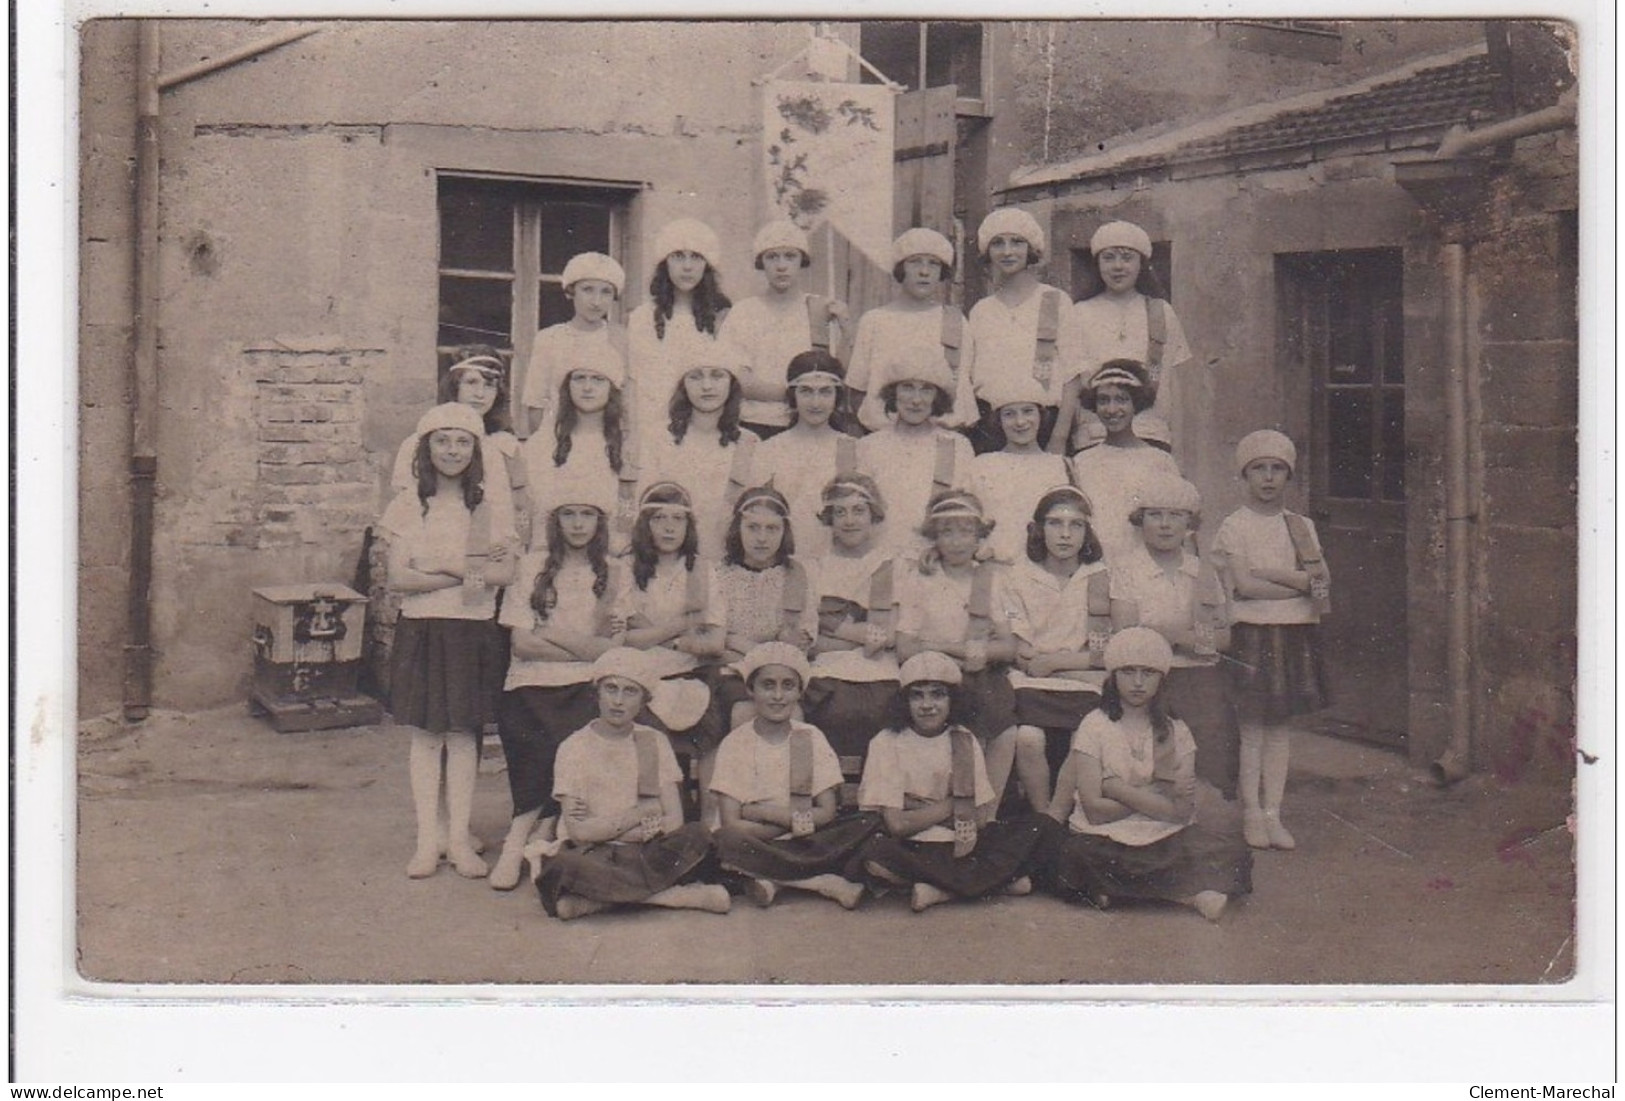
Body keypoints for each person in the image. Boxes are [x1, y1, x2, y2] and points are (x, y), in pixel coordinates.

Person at [377, 403, 518, 879]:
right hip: (423, 627)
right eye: (442, 441)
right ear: (426, 448)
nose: (452, 451)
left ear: (476, 451)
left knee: (463, 735)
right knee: (425, 735)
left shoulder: (488, 509)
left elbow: (502, 575)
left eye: (462, 442)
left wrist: (445, 567)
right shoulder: (407, 506)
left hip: (472, 630)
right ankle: (427, 840)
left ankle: (459, 839)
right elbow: (398, 579)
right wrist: (465, 575)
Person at [1038, 627, 1252, 922]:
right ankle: (1184, 893)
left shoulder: (1175, 729)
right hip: (1105, 837)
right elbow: (1095, 812)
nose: (1138, 683)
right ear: (1113, 677)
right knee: (1073, 854)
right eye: (1128, 672)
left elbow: (1179, 812)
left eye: (1148, 673)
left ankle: (1120, 892)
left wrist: (1116, 789)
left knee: (1228, 848)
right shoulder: (1095, 725)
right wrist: (1155, 793)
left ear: (1162, 679)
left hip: (1164, 834)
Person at [487, 472, 624, 891]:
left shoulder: (615, 572)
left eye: (587, 515)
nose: (578, 524)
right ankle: (525, 837)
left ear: (600, 523)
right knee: (533, 735)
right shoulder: (530, 567)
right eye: (569, 515)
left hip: (587, 683)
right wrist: (580, 645)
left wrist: (551, 633)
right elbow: (523, 646)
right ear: (556, 521)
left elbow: (609, 649)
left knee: (575, 740)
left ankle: (531, 836)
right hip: (531, 681)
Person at [530, 647, 730, 919]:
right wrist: (638, 816)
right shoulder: (574, 747)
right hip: (596, 853)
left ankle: (599, 901)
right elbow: (579, 833)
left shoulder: (653, 741)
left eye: (630, 691)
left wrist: (613, 829)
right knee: (563, 865)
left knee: (699, 836)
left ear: (644, 700)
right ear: (597, 693)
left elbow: (674, 821)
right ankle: (672, 897)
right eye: (611, 689)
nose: (618, 701)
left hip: (646, 850)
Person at [1210, 429, 1332, 851]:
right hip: (1252, 635)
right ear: (1245, 476)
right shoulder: (1234, 527)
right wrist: (1295, 584)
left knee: (1280, 728)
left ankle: (1273, 814)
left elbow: (1320, 584)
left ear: (1288, 476)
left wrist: (1274, 575)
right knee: (1252, 730)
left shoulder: (1300, 527)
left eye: (1277, 469)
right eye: (1259, 469)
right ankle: (1250, 814)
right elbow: (1244, 586)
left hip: (1293, 633)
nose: (1268, 478)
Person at [853, 652, 1046, 911]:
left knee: (1036, 828)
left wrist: (915, 805)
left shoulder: (963, 739)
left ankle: (940, 891)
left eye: (937, 694)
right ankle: (988, 885)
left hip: (958, 844)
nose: (927, 704)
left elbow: (977, 819)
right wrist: (953, 803)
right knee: (873, 856)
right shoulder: (887, 741)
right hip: (909, 846)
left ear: (953, 700)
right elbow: (897, 824)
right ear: (904, 702)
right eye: (917, 695)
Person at [710, 642, 880, 909]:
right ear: (750, 690)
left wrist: (762, 812)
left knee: (868, 822)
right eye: (768, 685)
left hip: (804, 837)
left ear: (800, 692)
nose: (778, 696)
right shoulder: (736, 744)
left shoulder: (810, 736)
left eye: (787, 686)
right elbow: (732, 823)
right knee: (723, 840)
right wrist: (791, 823)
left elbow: (827, 811)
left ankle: (773, 879)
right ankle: (819, 882)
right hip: (757, 840)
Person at [894, 489, 1027, 815]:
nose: (956, 541)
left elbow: (1009, 645)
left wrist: (945, 647)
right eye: (947, 532)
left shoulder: (993, 579)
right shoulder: (920, 579)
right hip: (932, 678)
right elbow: (904, 647)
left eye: (966, 531)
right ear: (934, 536)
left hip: (980, 676)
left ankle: (986, 816)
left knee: (1004, 729)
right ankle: (945, 811)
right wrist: (958, 655)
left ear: (979, 535)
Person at [1109, 471, 1240, 801]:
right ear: (1141, 521)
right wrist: (1190, 636)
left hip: (1200, 674)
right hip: (1149, 676)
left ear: (1190, 524)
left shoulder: (1202, 571)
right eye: (1155, 515)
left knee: (1214, 737)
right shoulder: (1128, 569)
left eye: (1175, 516)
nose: (1165, 525)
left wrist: (1165, 632)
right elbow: (1128, 635)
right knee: (1154, 748)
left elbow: (1222, 639)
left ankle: (1211, 810)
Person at [706, 483, 819, 819]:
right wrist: (756, 650)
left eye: (772, 529)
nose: (761, 538)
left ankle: (784, 808)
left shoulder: (794, 575)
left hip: (780, 672)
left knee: (790, 712)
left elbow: (801, 639)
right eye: (752, 527)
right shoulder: (719, 574)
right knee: (743, 712)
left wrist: (756, 646)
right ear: (737, 529)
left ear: (784, 532)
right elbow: (715, 639)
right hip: (730, 670)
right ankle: (728, 813)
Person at [1005, 485, 1111, 814]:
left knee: (1088, 738)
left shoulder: (1099, 578)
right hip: (1032, 685)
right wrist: (1059, 665)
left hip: (1081, 684)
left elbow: (1102, 653)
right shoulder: (1018, 576)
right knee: (1028, 739)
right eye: (1055, 524)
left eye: (1075, 525)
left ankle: (1060, 818)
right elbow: (1023, 657)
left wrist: (1054, 663)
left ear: (1087, 531)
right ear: (1039, 528)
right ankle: (1042, 818)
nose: (1065, 535)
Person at [1062, 220, 1194, 459]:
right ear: (1097, 264)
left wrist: (1181, 451)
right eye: (1109, 258)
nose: (1118, 266)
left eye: (1127, 257)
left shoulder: (1160, 312)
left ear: (1141, 264)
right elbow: (1071, 383)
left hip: (1151, 435)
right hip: (1094, 437)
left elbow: (1175, 387)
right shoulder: (1079, 313)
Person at [802, 473, 900, 762]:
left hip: (880, 671)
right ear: (829, 518)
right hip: (826, 670)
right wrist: (860, 634)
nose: (849, 520)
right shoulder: (814, 567)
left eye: (859, 510)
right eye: (840, 512)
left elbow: (889, 635)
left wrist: (834, 627)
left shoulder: (891, 564)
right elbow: (811, 640)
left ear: (873, 515)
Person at [721, 219, 850, 438]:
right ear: (761, 262)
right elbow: (739, 381)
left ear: (802, 261)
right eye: (772, 257)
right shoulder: (744, 312)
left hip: (808, 425)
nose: (781, 266)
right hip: (754, 424)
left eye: (790, 256)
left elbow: (839, 375)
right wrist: (800, 392)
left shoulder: (819, 309)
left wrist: (845, 328)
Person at [964, 208, 1079, 454]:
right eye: (997, 243)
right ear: (987, 251)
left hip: (1045, 426)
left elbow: (1073, 378)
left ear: (1031, 249)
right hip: (991, 428)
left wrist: (1059, 437)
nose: (1007, 251)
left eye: (1017, 242)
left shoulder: (1054, 301)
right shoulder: (981, 311)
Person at [388, 347, 525, 546]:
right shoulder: (418, 442)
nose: (480, 394)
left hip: (489, 544)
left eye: (489, 385)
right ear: (454, 386)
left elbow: (517, 507)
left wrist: (509, 545)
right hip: (430, 540)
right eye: (471, 382)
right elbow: (405, 506)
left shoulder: (505, 444)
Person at [847, 228, 978, 433]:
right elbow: (857, 389)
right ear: (901, 268)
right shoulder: (875, 321)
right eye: (915, 261)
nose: (924, 271)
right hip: (884, 436)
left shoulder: (954, 321)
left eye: (933, 263)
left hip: (941, 437)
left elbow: (961, 389)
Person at [854, 345, 977, 555]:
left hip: (936, 559)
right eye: (908, 387)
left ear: (937, 397)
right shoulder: (870, 446)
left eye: (926, 389)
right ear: (893, 393)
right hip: (878, 558)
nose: (916, 399)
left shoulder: (956, 445)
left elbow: (966, 513)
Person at [518, 340, 635, 555]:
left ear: (612, 388)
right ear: (567, 386)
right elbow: (529, 508)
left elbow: (629, 514)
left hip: (612, 559)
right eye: (579, 378)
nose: (587, 388)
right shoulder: (541, 444)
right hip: (548, 556)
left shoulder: (629, 446)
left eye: (598, 379)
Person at [641, 348, 759, 559]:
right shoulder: (657, 438)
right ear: (683, 386)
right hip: (666, 559)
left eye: (717, 376)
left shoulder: (747, 443)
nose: (707, 386)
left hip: (724, 560)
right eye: (695, 377)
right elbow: (641, 507)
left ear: (732, 384)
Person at [627, 218, 733, 440]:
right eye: (678, 256)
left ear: (707, 265)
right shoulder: (642, 318)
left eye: (696, 257)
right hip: (652, 432)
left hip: (704, 434)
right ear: (665, 263)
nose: (687, 266)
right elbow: (633, 386)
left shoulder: (722, 320)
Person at [1068, 359, 1181, 566]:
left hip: (1143, 566)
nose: (1112, 409)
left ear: (1135, 404)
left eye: (1121, 399)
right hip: (1095, 565)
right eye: (1103, 400)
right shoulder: (1082, 462)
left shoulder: (1159, 461)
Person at [754, 349, 863, 559]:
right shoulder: (769, 450)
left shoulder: (853, 449)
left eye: (825, 392)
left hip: (836, 561)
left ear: (837, 396)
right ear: (792, 395)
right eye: (806, 391)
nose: (815, 403)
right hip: (782, 560)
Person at [969, 375, 1077, 565]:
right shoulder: (981, 465)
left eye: (1028, 411)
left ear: (1040, 415)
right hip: (994, 569)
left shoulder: (1059, 466)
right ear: (999, 420)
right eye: (1009, 414)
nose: (1020, 422)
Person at [518, 252, 627, 438]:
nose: (596, 301)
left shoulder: (623, 339)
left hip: (609, 441)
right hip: (558, 441)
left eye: (606, 292)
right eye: (588, 289)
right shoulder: (549, 339)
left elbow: (630, 404)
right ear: (571, 291)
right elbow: (535, 406)